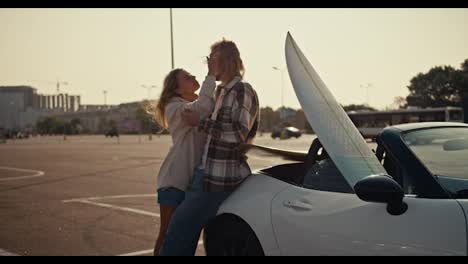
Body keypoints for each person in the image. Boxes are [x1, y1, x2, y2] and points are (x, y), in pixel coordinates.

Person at [159, 39, 260, 256]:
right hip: (206, 175)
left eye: (212, 58)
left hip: (217, 178)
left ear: (226, 61)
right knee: (184, 236)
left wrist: (201, 122)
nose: (208, 63)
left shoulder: (242, 90)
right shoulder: (222, 92)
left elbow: (237, 133)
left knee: (177, 234)